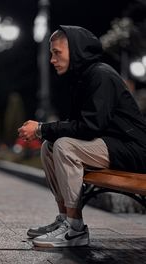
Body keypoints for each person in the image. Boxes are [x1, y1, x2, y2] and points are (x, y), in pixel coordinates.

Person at [18, 25, 146, 248]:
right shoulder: (83, 78)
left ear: (76, 50)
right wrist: (46, 132)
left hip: (134, 150)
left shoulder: (101, 75)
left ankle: (75, 229)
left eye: (57, 52)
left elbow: (88, 127)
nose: (52, 59)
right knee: (49, 146)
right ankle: (65, 219)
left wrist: (40, 128)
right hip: (114, 145)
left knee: (64, 146)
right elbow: (77, 126)